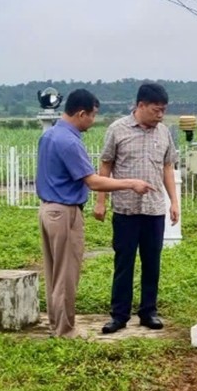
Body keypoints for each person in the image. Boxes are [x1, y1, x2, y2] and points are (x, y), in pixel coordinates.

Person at [37, 88, 155, 338]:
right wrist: (131, 183)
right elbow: (93, 181)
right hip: (65, 212)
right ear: (81, 114)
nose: (93, 120)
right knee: (66, 275)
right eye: (93, 115)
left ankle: (57, 325)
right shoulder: (69, 141)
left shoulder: (50, 135)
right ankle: (65, 331)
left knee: (54, 273)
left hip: (48, 210)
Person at [93, 82, 179, 334]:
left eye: (163, 110)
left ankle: (148, 311)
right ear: (141, 105)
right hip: (125, 210)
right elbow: (106, 165)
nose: (160, 115)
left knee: (152, 262)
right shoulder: (117, 129)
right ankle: (119, 315)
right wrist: (101, 201)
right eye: (156, 110)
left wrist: (174, 202)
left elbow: (167, 168)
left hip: (154, 210)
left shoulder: (163, 133)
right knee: (124, 263)